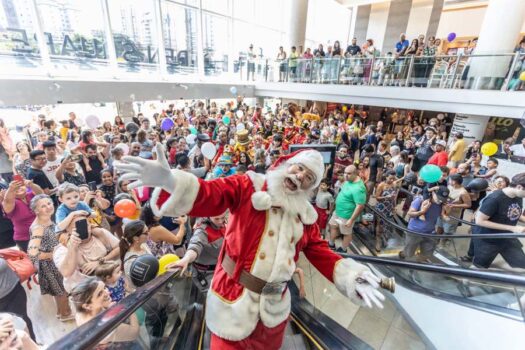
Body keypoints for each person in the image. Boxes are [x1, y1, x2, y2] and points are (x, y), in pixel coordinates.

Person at [117, 145, 384, 349]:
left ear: (311, 187)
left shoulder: (306, 217)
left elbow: (321, 252)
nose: (300, 176)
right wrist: (171, 182)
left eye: (309, 177)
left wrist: (352, 276)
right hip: (231, 302)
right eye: (299, 168)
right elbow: (213, 194)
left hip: (273, 313)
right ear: (287, 165)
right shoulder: (248, 185)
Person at [28, 194, 73, 321]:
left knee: (59, 292)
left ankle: (61, 312)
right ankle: (65, 314)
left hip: (56, 262)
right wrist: (55, 253)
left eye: (49, 203)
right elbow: (33, 254)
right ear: (36, 210)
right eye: (43, 206)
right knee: (62, 292)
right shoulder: (38, 228)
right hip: (50, 265)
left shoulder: (47, 219)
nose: (48, 207)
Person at [54, 215, 120, 292]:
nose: (84, 228)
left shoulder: (100, 233)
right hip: (85, 292)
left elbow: (119, 247)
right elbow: (66, 272)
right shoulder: (62, 249)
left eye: (86, 224)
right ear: (68, 231)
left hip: (111, 282)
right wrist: (72, 247)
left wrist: (100, 261)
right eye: (78, 227)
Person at [473, 172, 525, 269]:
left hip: (507, 237)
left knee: (522, 263)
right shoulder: (495, 199)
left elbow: (514, 212)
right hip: (488, 239)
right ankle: (467, 282)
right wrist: (513, 228)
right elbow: (479, 221)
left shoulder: (518, 196)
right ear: (519, 187)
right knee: (480, 266)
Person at [70, 277, 140, 348]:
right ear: (87, 306)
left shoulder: (79, 312)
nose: (108, 292)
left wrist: (108, 309)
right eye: (100, 294)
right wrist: (130, 306)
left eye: (105, 287)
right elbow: (135, 332)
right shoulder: (105, 327)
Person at [170, 212, 227, 289]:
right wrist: (186, 259)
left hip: (222, 270)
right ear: (209, 216)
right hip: (207, 275)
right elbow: (195, 246)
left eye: (223, 218)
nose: (220, 221)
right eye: (216, 219)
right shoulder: (202, 231)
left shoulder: (225, 224)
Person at [400, 186, 449, 261]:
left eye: (442, 199)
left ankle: (417, 264)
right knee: (408, 253)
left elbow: (442, 216)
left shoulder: (441, 205)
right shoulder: (420, 200)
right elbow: (410, 213)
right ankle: (403, 254)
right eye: (439, 198)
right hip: (414, 231)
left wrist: (447, 211)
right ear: (433, 193)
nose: (440, 201)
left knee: (427, 254)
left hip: (430, 233)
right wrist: (422, 212)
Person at [328, 165, 367, 253]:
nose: (345, 176)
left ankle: (343, 249)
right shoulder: (348, 180)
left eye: (348, 174)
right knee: (332, 225)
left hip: (346, 215)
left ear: (355, 173)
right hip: (338, 211)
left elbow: (360, 206)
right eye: (345, 173)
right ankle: (331, 244)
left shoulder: (359, 188)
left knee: (346, 233)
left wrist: (351, 220)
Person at [2, 179, 43, 252]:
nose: (19, 188)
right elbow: (7, 200)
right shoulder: (12, 202)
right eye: (16, 188)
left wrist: (31, 185)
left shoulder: (30, 195)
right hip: (26, 239)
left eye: (21, 186)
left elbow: (41, 194)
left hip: (43, 232)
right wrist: (11, 189)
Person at [0, 258, 36, 340]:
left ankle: (32, 344)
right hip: (6, 297)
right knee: (6, 328)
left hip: (14, 291)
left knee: (23, 319)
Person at [374, 171, 399, 252]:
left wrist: (394, 206)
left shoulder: (394, 185)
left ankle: (384, 237)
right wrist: (386, 197)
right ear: (386, 177)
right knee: (380, 225)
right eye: (390, 178)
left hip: (389, 207)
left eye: (393, 178)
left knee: (387, 224)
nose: (392, 180)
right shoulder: (381, 185)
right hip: (381, 208)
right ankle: (378, 240)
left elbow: (394, 197)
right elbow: (377, 197)